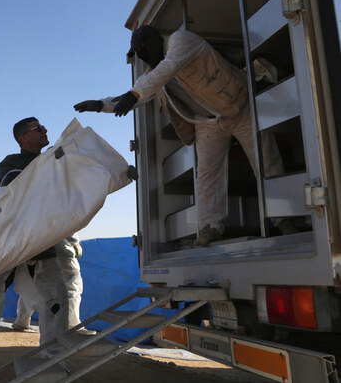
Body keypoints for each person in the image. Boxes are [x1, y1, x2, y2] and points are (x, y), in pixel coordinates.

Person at [74, 25, 283, 246]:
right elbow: (137, 95)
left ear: (154, 40)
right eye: (138, 51)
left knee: (266, 161)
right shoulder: (151, 76)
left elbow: (167, 68)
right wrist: (101, 105)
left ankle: (286, 218)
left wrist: (134, 94)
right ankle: (210, 227)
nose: (142, 54)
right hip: (207, 123)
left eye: (143, 48)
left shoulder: (181, 40)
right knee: (206, 177)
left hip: (237, 107)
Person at [0, 117, 69, 381]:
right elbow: (15, 186)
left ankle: (52, 362)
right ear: (24, 137)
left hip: (41, 246)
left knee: (57, 302)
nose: (45, 131)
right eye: (38, 129)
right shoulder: (11, 163)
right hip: (7, 246)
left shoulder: (55, 161)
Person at [12, 234, 95, 335]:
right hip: (59, 248)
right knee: (72, 285)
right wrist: (75, 242)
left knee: (31, 285)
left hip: (32, 249)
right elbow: (65, 225)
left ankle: (21, 321)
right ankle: (72, 325)